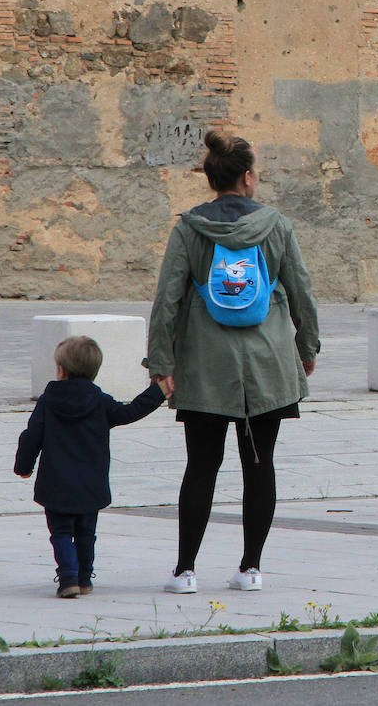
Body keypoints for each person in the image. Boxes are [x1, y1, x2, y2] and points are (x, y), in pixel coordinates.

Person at [147, 129, 320, 594]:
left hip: (205, 364)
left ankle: (185, 571)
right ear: (247, 178)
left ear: (212, 180)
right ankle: (251, 569)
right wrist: (307, 350)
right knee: (260, 465)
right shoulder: (276, 225)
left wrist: (160, 361)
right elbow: (302, 293)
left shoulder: (189, 228)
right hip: (268, 364)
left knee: (201, 466)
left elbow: (167, 299)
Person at [15, 336, 166, 598]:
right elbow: (128, 412)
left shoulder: (48, 401)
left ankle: (68, 578)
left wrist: (23, 466)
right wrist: (157, 391)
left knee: (61, 532)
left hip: (56, 482)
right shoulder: (100, 401)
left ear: (60, 370)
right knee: (86, 532)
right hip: (91, 482)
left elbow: (31, 436)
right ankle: (84, 578)